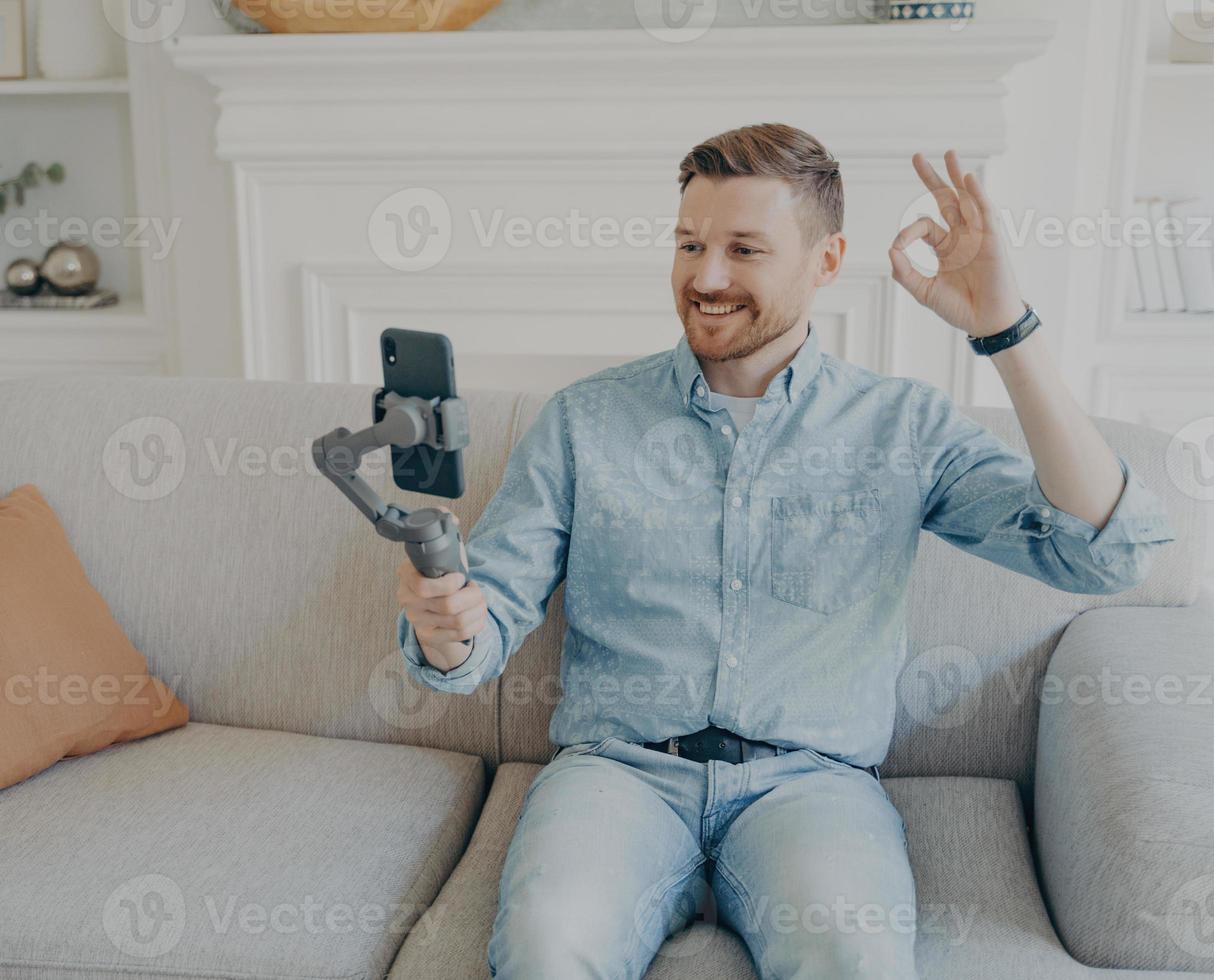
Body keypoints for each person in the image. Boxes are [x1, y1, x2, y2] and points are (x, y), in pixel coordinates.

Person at [394, 123, 1176, 979]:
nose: (707, 276)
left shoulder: (901, 426)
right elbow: (485, 621)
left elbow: (1104, 553)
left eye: (744, 249)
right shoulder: (586, 419)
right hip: (617, 777)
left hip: (812, 787)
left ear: (826, 262)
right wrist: (448, 627)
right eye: (690, 244)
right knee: (547, 947)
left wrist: (1005, 332)